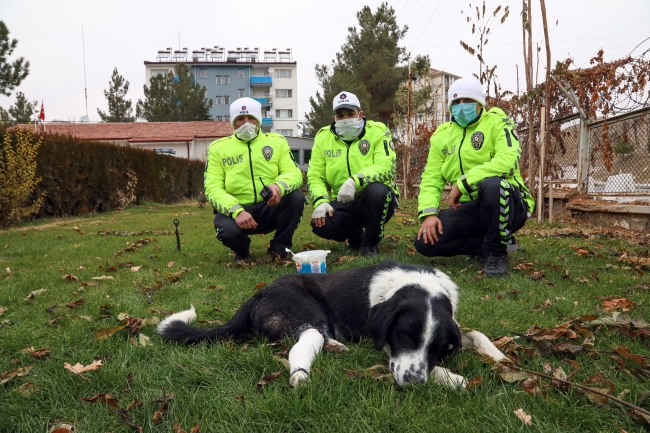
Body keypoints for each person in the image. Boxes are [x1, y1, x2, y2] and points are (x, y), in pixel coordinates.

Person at [414, 77, 535, 277]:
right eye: (456, 102)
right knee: (425, 242)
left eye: (467, 101)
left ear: (480, 104)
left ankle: (496, 254)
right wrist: (428, 213)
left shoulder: (498, 123)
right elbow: (431, 177)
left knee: (492, 185)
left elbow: (507, 161)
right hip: (469, 207)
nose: (461, 107)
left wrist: (464, 183)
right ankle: (486, 244)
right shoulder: (442, 135)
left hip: (509, 202)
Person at [204, 97, 305, 263]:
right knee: (227, 232)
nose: (246, 123)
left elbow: (294, 172)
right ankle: (242, 252)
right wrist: (236, 211)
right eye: (240, 119)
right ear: (232, 122)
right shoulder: (218, 148)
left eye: (251, 118)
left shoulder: (277, 142)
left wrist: (278, 187)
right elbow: (212, 188)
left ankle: (279, 248)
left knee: (296, 198)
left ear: (258, 120)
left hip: (269, 207)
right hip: (237, 211)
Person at [307, 91, 399, 256]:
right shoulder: (322, 138)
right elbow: (315, 175)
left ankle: (371, 243)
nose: (346, 118)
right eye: (340, 115)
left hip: (377, 198)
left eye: (351, 113)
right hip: (343, 201)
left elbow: (387, 167)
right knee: (320, 224)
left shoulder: (378, 131)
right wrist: (321, 201)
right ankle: (355, 236)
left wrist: (354, 181)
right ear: (334, 117)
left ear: (360, 114)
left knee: (376, 191)